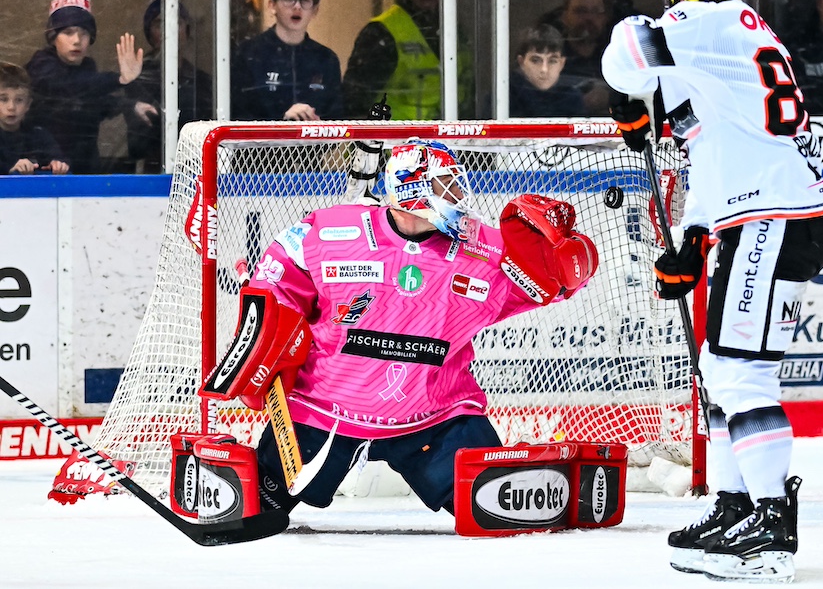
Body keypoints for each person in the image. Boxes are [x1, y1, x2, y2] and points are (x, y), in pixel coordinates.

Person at [602, 0, 823, 583]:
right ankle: (737, 504)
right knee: (720, 368)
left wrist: (632, 91)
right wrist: (692, 237)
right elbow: (710, 146)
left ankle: (771, 524)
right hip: (762, 217)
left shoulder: (702, 22)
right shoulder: (739, 36)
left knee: (741, 374)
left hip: (770, 222)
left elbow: (625, 50)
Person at [205, 139, 597, 525]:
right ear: (412, 190)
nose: (459, 196)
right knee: (252, 509)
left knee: (497, 511)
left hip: (436, 418)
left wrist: (561, 261)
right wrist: (261, 357)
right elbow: (274, 289)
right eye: (447, 185)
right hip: (323, 413)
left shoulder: (486, 251)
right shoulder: (328, 231)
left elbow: (551, 286)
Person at [24, 0, 149, 174]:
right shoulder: (41, 66)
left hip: (86, 168)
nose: (76, 41)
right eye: (68, 32)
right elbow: (72, 87)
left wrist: (129, 105)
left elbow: (91, 101)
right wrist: (119, 79)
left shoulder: (87, 67)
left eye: (84, 33)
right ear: (53, 37)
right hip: (47, 169)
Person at [342, 0, 472, 120]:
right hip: (394, 145)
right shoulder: (381, 32)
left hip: (443, 144)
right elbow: (354, 103)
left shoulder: (455, 30)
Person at [231, 0, 343, 121]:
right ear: (272, 5)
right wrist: (281, 122)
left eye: (305, 0)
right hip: (260, 145)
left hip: (312, 144)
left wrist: (319, 128)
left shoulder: (326, 60)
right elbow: (237, 116)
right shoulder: (248, 54)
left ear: (315, 10)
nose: (297, 6)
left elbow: (336, 120)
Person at [123, 0, 214, 173]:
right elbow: (140, 138)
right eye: (159, 24)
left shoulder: (202, 81)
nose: (169, 31)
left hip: (195, 172)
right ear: (149, 33)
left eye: (177, 22)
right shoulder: (138, 78)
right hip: (150, 175)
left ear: (187, 30)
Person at [544, 0, 613, 116]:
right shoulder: (547, 59)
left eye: (596, 11)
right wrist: (579, 103)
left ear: (605, 18)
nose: (589, 18)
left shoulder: (616, 57)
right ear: (564, 16)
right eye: (580, 11)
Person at [0, 62, 69, 175]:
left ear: (28, 105)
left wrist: (58, 165)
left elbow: (58, 157)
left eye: (19, 100)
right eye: (3, 99)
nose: (11, 107)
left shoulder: (38, 135)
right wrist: (11, 170)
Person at [509, 24, 586, 118]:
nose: (544, 69)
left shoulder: (572, 98)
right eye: (536, 60)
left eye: (552, 61)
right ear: (521, 62)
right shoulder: (504, 98)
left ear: (562, 64)